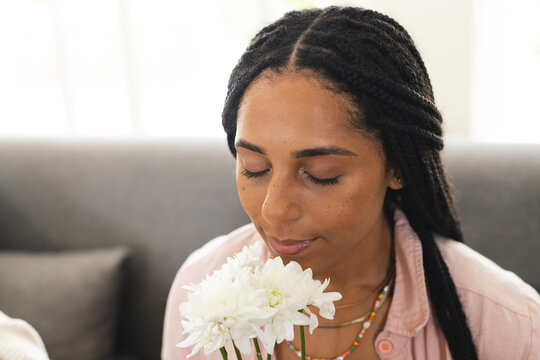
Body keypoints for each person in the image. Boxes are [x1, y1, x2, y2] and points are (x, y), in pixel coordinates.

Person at [162, 6, 540, 360]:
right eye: (254, 167)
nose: (274, 210)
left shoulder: (510, 325)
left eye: (321, 174)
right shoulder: (201, 290)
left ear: (397, 166)